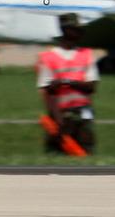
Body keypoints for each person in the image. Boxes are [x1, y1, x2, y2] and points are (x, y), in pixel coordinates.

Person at [36, 13, 99, 155]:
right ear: (66, 30)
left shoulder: (87, 54)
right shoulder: (48, 57)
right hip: (60, 114)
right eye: (76, 29)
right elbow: (48, 92)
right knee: (56, 154)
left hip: (82, 113)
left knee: (86, 153)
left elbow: (91, 87)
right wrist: (58, 120)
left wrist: (65, 82)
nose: (80, 33)